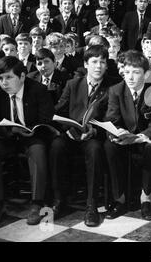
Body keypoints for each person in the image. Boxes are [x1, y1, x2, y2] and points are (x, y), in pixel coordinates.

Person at [0, 56, 54, 225]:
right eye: (0, 78)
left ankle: (36, 203)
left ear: (21, 76)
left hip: (31, 137)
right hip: (6, 137)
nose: (4, 82)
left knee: (38, 151)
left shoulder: (38, 89)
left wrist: (32, 129)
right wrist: (9, 130)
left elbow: (46, 119)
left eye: (9, 77)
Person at [50, 45, 119, 226]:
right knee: (56, 146)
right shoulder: (73, 84)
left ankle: (92, 204)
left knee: (95, 150)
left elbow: (114, 117)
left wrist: (94, 130)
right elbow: (59, 111)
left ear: (106, 65)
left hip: (94, 135)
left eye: (102, 62)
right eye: (94, 62)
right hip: (72, 133)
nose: (98, 66)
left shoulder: (113, 86)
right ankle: (59, 200)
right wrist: (68, 129)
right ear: (86, 64)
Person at [104, 50, 151, 220]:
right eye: (127, 72)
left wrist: (139, 137)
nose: (130, 77)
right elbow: (112, 119)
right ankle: (120, 199)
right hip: (123, 139)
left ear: (146, 75)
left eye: (136, 72)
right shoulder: (116, 90)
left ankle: (146, 199)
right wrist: (118, 132)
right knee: (109, 146)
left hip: (145, 138)